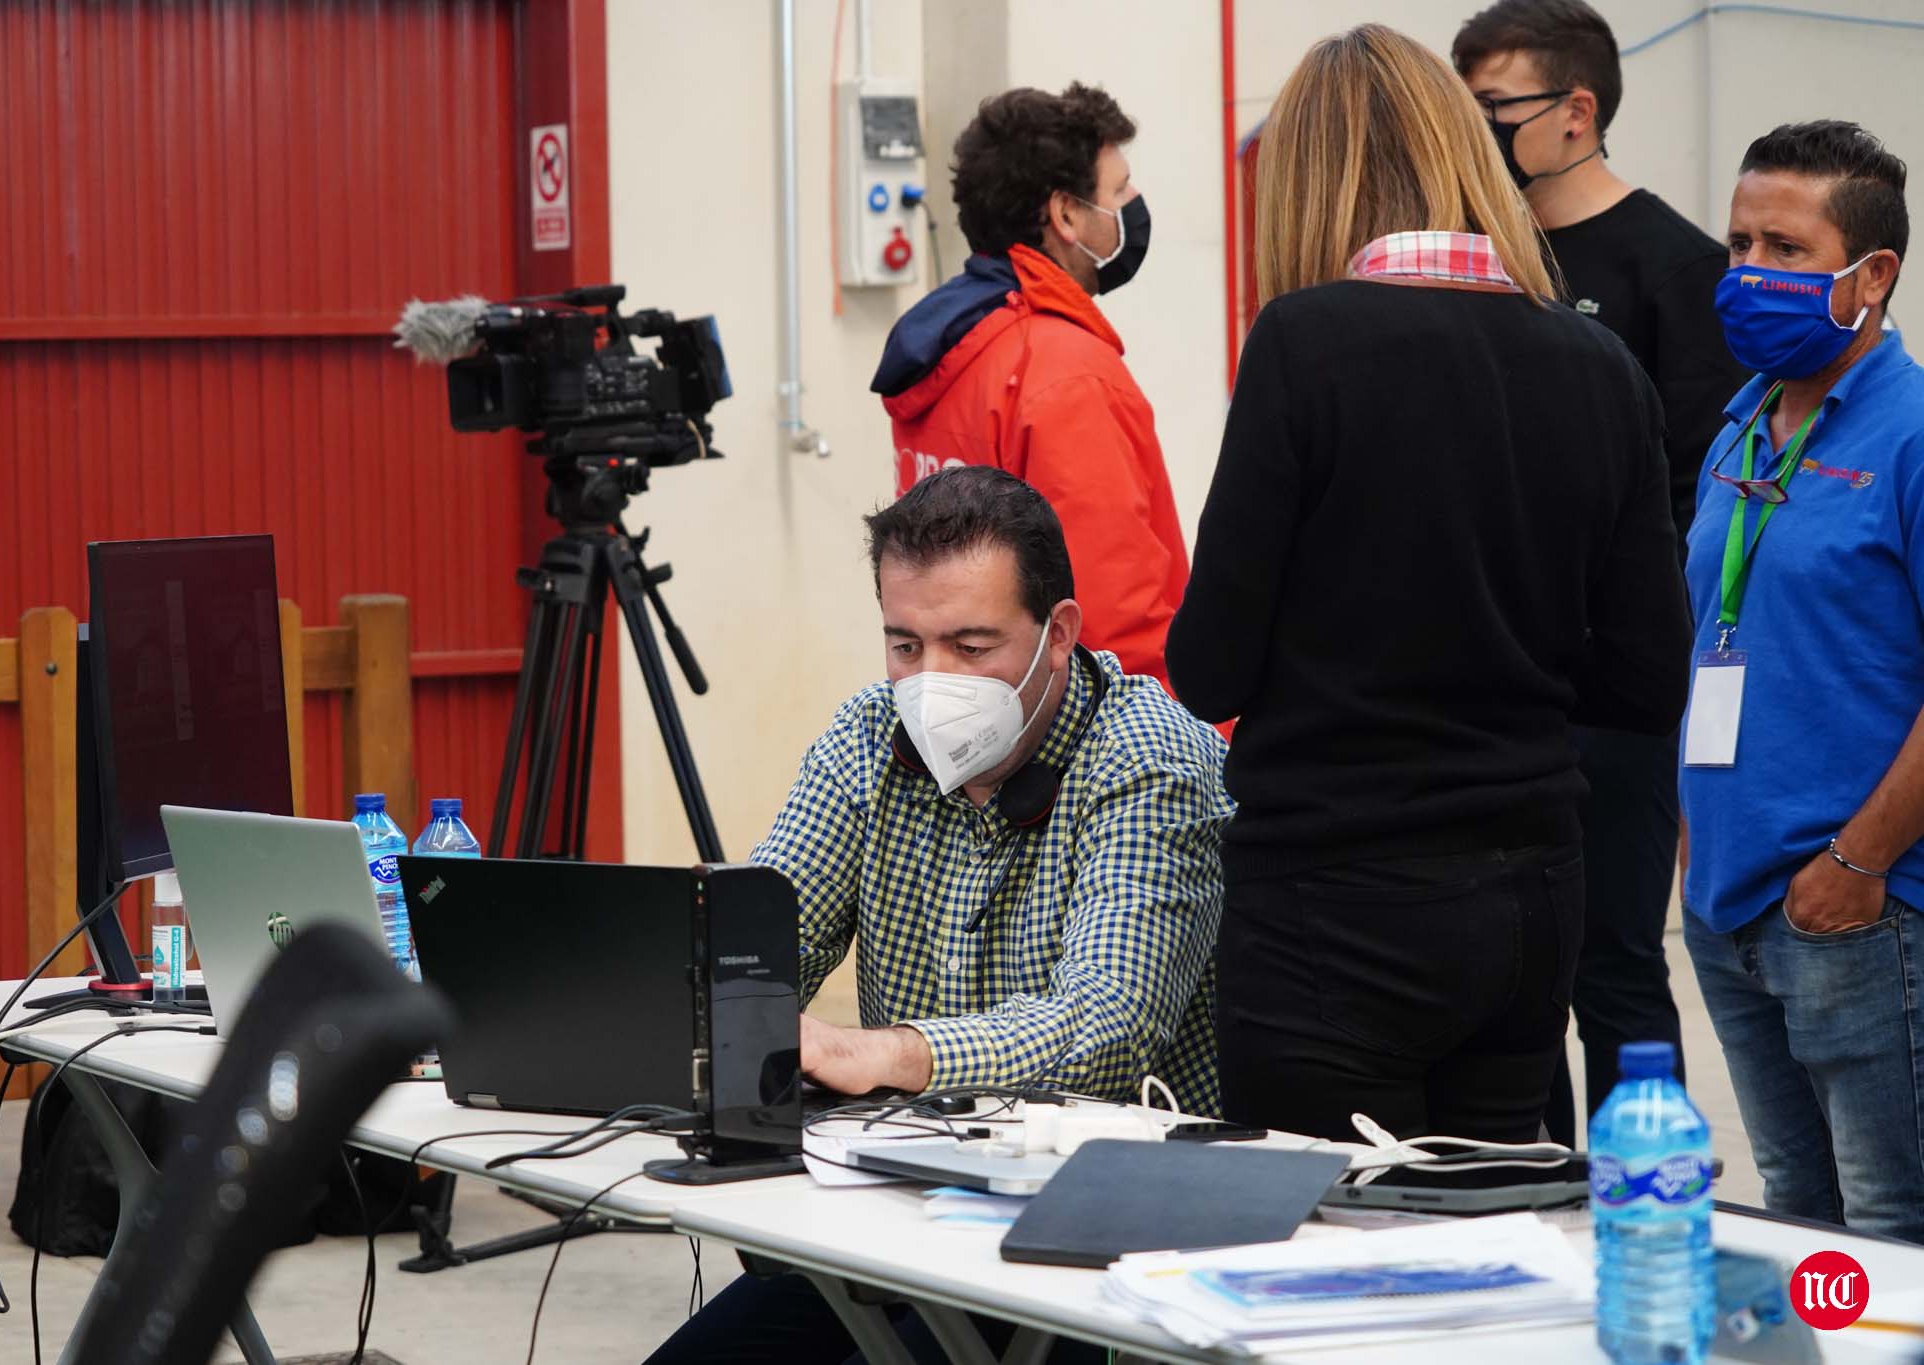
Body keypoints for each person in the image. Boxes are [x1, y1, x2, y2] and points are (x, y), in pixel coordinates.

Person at [1166, 24, 1690, 1146]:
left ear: (1304, 181)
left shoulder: (1303, 344)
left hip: (1331, 895)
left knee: (1326, 1275)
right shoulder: (1597, 364)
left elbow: (1208, 660)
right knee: (1490, 1254)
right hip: (1528, 896)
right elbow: (1648, 681)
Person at [647, 466, 1228, 1363]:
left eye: (972, 644)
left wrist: (876, 1050)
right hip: (902, 1205)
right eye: (905, 645)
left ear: (1059, 634)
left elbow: (1108, 1027)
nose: (931, 682)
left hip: (1104, 1237)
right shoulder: (866, 734)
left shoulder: (1152, 759)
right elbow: (760, 947)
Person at [1453, 0, 1747, 1148]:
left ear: (1575, 113)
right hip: (1487, 687)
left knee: (1611, 967)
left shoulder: (1675, 270)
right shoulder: (1479, 261)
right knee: (1505, 976)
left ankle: (1638, 1201)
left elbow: (1690, 500)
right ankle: (1523, 1193)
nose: (1476, 137)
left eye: (1494, 113)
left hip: (1608, 702)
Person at [1680, 121, 1924, 1245]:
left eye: (1782, 247)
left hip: (1852, 910)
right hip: (1729, 899)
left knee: (1884, 1237)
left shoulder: (1911, 434)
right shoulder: (1738, 424)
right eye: (1736, 242)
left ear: (1868, 275)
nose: (1746, 272)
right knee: (1793, 1229)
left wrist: (1853, 863)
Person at [870, 83, 1191, 693]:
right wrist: (1179, 749)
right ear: (1066, 214)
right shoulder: (1067, 372)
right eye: (1118, 189)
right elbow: (1113, 619)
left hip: (960, 723)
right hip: (1078, 752)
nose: (1133, 203)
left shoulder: (951, 349)